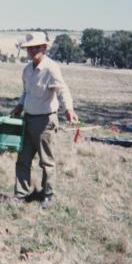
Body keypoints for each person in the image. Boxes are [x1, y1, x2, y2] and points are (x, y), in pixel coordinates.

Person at [10, 32, 78, 209]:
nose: (32, 51)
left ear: (44, 48)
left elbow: (62, 91)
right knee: (23, 159)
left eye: (36, 48)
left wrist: (69, 110)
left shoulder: (51, 68)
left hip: (45, 122)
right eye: (29, 48)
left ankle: (47, 196)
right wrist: (19, 106)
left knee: (46, 161)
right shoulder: (27, 69)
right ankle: (20, 194)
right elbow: (26, 92)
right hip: (28, 119)